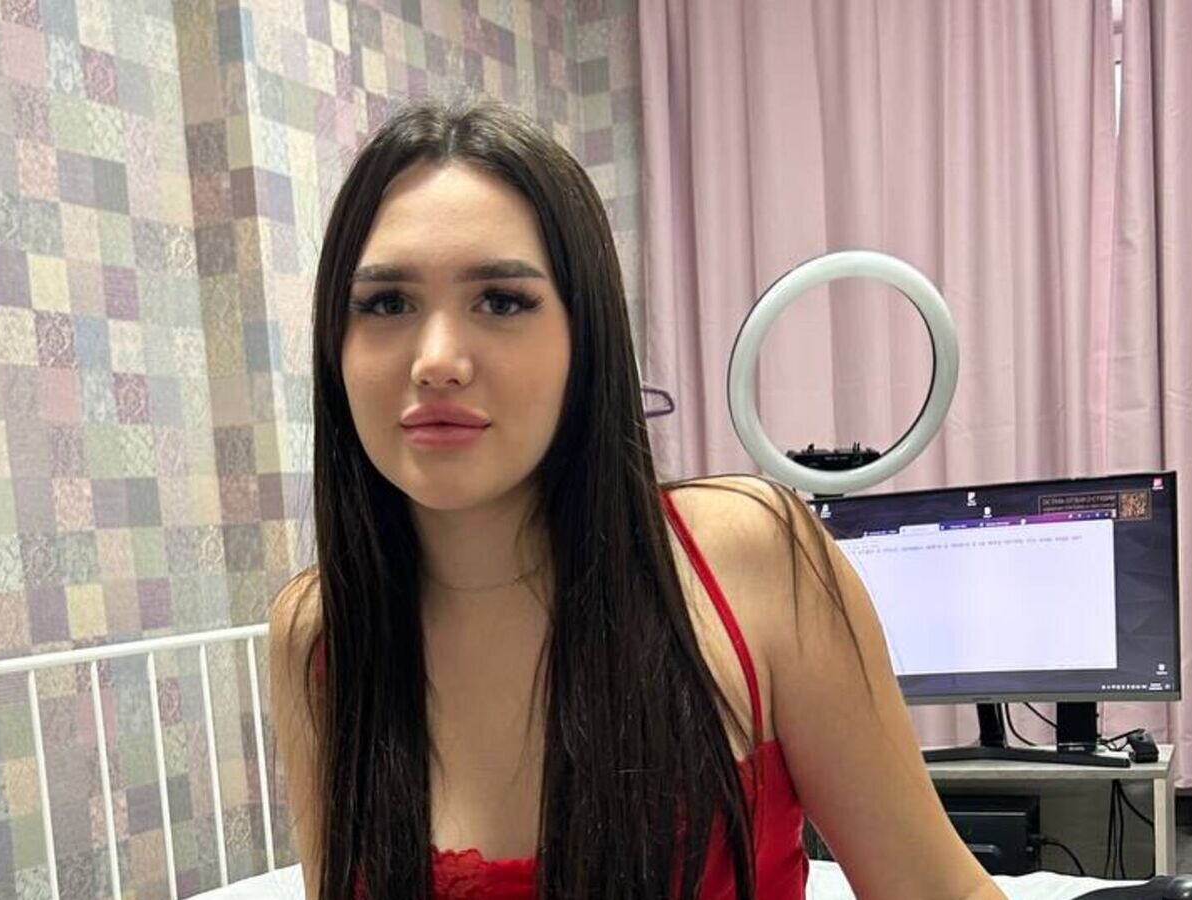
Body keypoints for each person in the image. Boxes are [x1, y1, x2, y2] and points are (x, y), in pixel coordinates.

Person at [268, 97, 1006, 900]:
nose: (437, 359)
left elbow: (943, 891)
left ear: (585, 338)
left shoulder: (753, 556)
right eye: (385, 303)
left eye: (502, 301)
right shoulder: (318, 636)